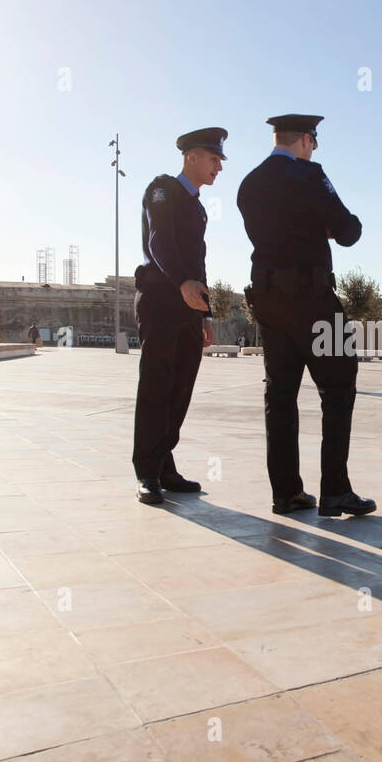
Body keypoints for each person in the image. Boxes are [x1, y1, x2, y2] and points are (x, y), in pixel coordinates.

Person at [237, 113, 375, 517]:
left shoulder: (250, 183)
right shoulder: (311, 177)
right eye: (314, 142)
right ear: (306, 140)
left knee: (280, 396)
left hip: (267, 300)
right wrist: (327, 226)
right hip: (312, 300)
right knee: (338, 388)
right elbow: (348, 231)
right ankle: (334, 490)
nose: (314, 149)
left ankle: (286, 493)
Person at [132, 127, 226, 505]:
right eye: (213, 158)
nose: (218, 166)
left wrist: (205, 313)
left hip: (189, 306)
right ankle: (147, 472)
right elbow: (158, 241)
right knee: (157, 385)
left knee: (181, 387)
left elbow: (198, 260)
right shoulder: (163, 189)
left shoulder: (198, 206)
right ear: (192, 157)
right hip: (160, 299)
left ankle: (164, 464)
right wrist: (182, 282)